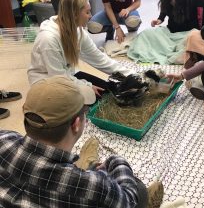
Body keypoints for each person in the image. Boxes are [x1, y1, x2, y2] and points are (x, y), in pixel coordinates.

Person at [0, 75, 162, 207]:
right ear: (76, 124)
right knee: (137, 189)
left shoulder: (4, 138)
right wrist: (116, 161)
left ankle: (83, 164)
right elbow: (127, 201)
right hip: (91, 189)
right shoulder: (96, 186)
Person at [28, 0, 134, 97]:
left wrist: (131, 74)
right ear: (74, 14)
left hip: (67, 75)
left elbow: (99, 59)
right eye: (87, 12)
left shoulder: (78, 31)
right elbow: (58, 77)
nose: (90, 16)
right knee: (88, 99)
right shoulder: (48, 39)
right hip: (46, 81)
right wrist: (86, 86)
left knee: (109, 92)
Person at [126, 0, 204, 64]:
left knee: (186, 49)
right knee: (146, 34)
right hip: (170, 32)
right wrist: (160, 19)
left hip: (187, 34)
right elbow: (164, 11)